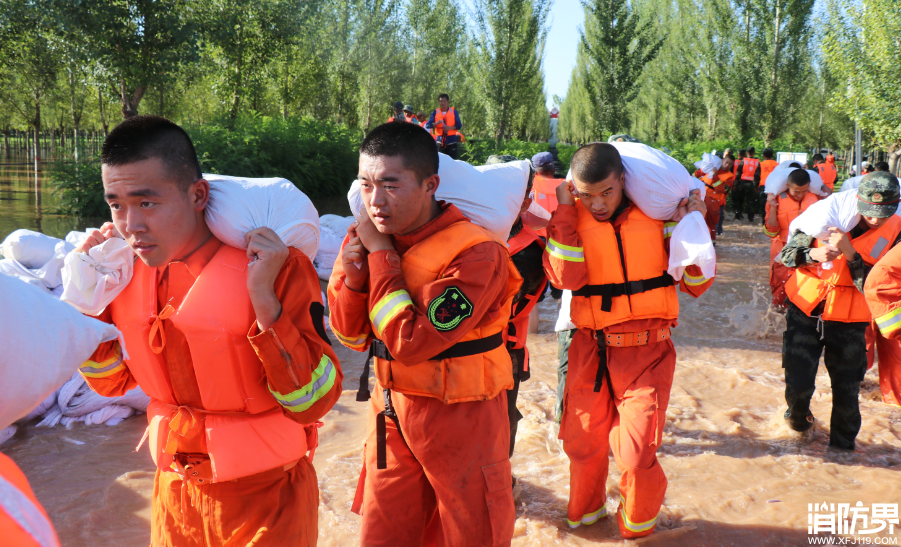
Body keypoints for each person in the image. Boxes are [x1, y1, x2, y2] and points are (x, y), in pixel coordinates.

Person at [74, 115, 343, 546]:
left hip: (266, 501)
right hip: (175, 494)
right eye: (116, 204)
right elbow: (110, 384)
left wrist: (266, 305)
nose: (131, 225)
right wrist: (86, 304)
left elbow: (314, 402)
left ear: (197, 194)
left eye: (147, 203)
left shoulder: (275, 268)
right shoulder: (123, 273)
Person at [328, 122, 518, 546]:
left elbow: (410, 343)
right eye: (365, 184)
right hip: (391, 414)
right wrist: (357, 273)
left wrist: (380, 256)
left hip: (464, 417)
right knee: (383, 536)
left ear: (430, 184)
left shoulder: (476, 254)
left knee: (472, 536)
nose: (375, 201)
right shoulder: (364, 237)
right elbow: (350, 335)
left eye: (390, 185)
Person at [544, 143, 714, 538]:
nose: (598, 204)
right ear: (574, 190)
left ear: (623, 180)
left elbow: (696, 285)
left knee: (636, 454)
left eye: (606, 191)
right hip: (588, 345)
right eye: (587, 195)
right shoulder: (569, 220)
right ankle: (586, 527)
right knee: (582, 446)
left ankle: (637, 532)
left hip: (647, 351)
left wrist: (694, 225)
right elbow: (565, 279)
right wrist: (567, 212)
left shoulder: (660, 216)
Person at [780, 172, 901, 450]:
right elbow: (787, 255)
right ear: (858, 200)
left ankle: (842, 456)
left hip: (851, 321)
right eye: (870, 211)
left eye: (882, 213)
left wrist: (850, 254)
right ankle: (800, 421)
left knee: (846, 392)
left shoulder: (897, 233)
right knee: (798, 387)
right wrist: (812, 255)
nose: (875, 219)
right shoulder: (826, 215)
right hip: (806, 312)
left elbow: (877, 285)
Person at [485, 154, 548, 460]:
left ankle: (501, 489)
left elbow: (497, 307)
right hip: (469, 351)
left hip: (502, 352)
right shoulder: (471, 231)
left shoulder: (529, 251)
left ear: (526, 202)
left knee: (497, 427)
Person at [763, 168, 818, 311]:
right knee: (779, 295)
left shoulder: (816, 199)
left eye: (804, 191)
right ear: (788, 186)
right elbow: (770, 232)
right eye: (796, 192)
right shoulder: (775, 200)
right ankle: (774, 328)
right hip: (780, 251)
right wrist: (773, 208)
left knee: (806, 293)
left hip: (807, 252)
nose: (800, 195)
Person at [699, 155, 735, 241]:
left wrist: (715, 176)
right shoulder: (713, 166)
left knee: (711, 224)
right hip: (701, 198)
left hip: (713, 202)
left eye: (730, 164)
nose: (727, 165)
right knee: (699, 221)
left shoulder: (729, 176)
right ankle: (699, 241)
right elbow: (700, 172)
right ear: (722, 160)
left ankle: (712, 242)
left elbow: (722, 190)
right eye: (726, 162)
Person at [530, 151, 560, 239]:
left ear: (535, 173)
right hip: (561, 237)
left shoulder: (528, 189)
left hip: (537, 239)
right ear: (554, 170)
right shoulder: (568, 188)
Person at [424, 93, 463, 160]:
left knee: (452, 162)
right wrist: (436, 123)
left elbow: (459, 125)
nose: (443, 103)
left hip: (452, 141)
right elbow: (428, 125)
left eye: (444, 101)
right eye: (441, 101)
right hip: (440, 141)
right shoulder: (435, 112)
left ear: (448, 102)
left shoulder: (454, 112)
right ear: (439, 102)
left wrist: (449, 128)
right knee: (441, 162)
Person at [733, 146, 760, 221]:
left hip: (742, 183)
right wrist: (756, 186)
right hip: (752, 184)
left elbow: (738, 173)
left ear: (746, 153)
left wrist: (736, 183)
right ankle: (751, 218)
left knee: (740, 200)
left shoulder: (743, 161)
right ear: (754, 153)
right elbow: (757, 175)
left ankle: (738, 215)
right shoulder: (757, 162)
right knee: (750, 202)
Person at [758, 148, 780, 217]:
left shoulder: (760, 164)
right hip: (774, 187)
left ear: (764, 155)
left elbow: (757, 176)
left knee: (763, 203)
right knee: (773, 203)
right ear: (772, 155)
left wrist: (756, 186)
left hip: (763, 186)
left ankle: (764, 219)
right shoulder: (777, 164)